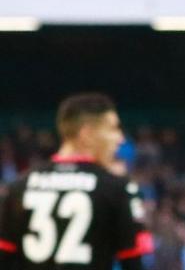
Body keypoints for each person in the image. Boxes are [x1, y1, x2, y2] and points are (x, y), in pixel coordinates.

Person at [0, 94, 151, 270]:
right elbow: (133, 262)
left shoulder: (19, 187)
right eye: (112, 128)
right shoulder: (117, 188)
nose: (120, 139)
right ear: (86, 134)